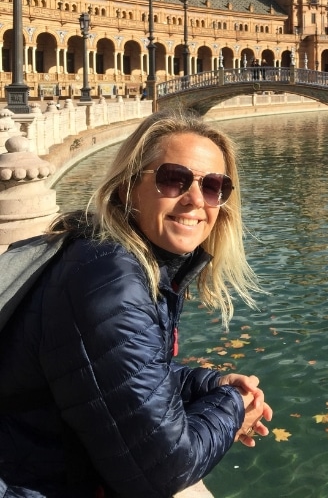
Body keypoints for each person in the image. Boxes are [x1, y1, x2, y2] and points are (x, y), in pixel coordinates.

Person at [0, 109, 272, 498]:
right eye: (174, 179)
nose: (196, 199)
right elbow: (164, 471)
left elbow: (109, 374)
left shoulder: (111, 257)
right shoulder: (110, 283)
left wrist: (207, 384)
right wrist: (232, 404)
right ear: (128, 188)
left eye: (214, 186)